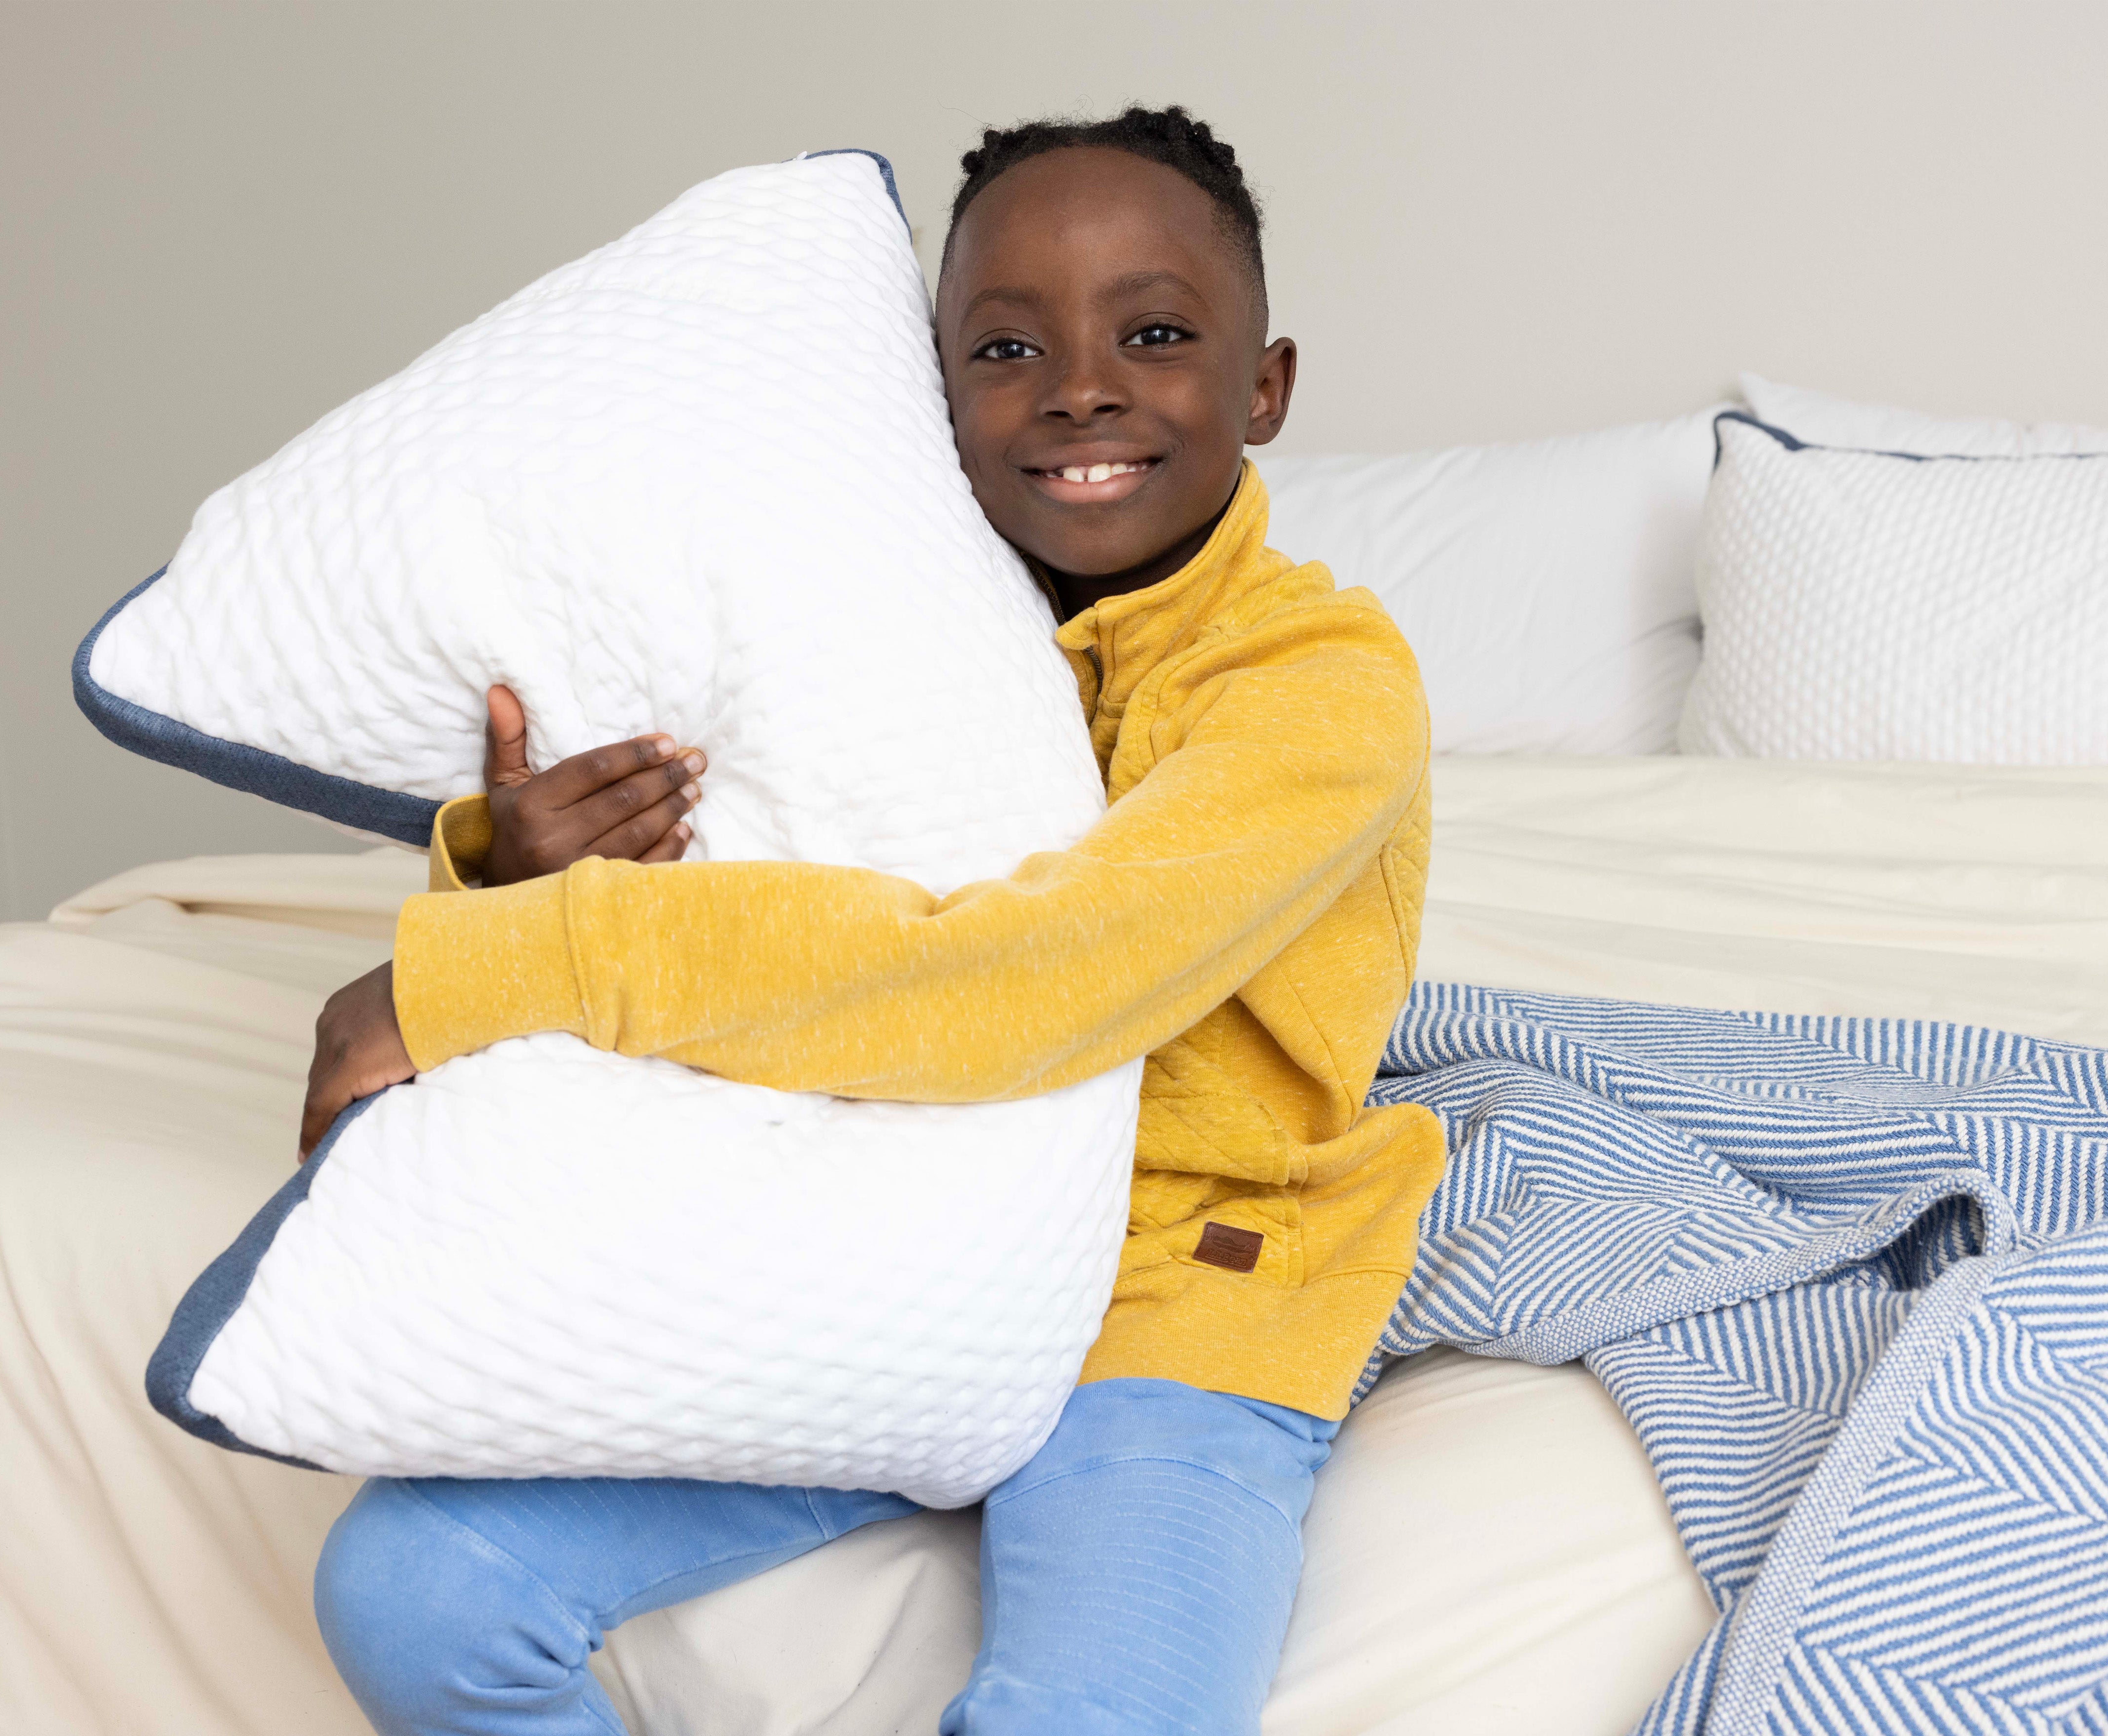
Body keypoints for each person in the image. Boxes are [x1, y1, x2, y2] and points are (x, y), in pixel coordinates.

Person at [301, 105, 1442, 1736]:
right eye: (1003, 346)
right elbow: (745, 907)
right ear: (935, 393)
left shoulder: (1322, 683)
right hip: (885, 1227)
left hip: (1182, 1284)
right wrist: (510, 877)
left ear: (1263, 386)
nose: (1081, 387)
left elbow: (1028, 979)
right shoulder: (853, 635)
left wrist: (495, 965)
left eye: (1158, 332)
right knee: (411, 1586)